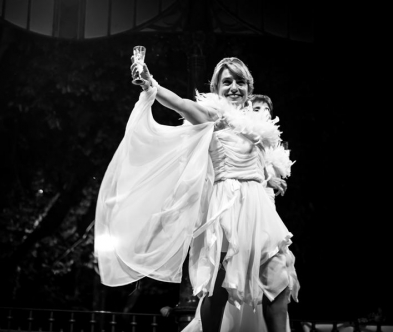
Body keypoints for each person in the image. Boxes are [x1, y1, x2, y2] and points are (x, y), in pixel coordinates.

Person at [94, 56, 299, 332]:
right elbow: (180, 103)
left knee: (278, 284)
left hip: (260, 209)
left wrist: (270, 176)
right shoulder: (212, 116)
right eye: (227, 82)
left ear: (249, 88)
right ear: (217, 88)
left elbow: (259, 166)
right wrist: (150, 82)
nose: (234, 87)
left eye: (240, 81)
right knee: (220, 290)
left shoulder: (258, 126)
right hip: (228, 206)